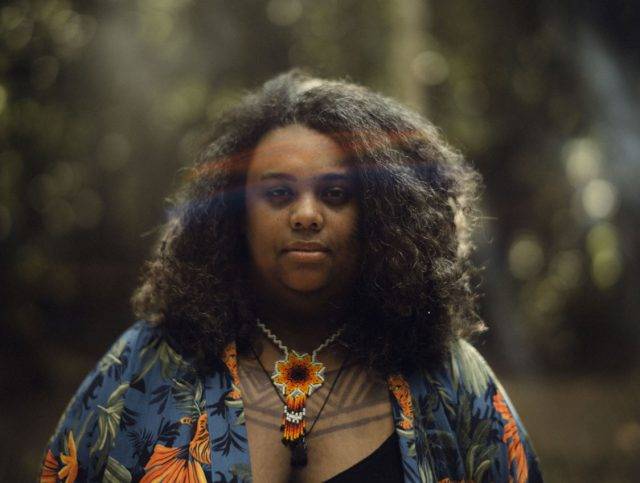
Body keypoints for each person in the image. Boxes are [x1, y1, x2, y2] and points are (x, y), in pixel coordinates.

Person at [40, 70, 542, 482]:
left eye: (335, 195)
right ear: (235, 216)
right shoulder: (144, 366)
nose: (305, 215)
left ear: (381, 215)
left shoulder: (449, 376)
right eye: (278, 194)